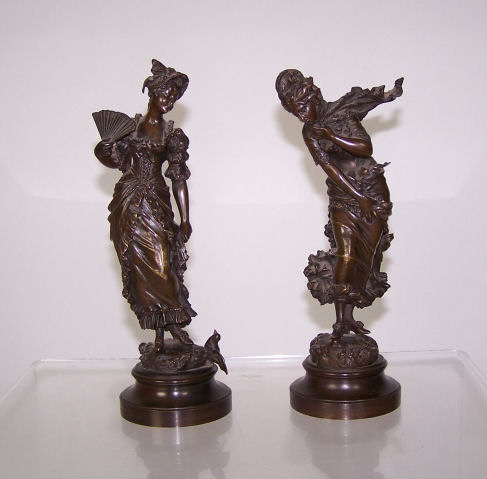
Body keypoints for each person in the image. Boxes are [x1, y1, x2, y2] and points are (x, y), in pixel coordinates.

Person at [276, 69, 403, 338]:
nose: (302, 116)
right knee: (345, 254)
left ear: (313, 98)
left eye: (303, 109)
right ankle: (341, 321)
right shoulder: (309, 132)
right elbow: (330, 169)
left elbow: (365, 148)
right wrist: (357, 197)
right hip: (344, 195)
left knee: (367, 257)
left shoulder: (342, 114)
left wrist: (332, 136)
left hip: (371, 189)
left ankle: (351, 316)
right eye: (296, 114)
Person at [94, 60, 196, 351]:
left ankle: (175, 326)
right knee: (139, 269)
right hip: (128, 203)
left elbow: (178, 178)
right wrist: (102, 151)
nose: (169, 101)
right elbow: (116, 161)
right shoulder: (129, 130)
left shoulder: (172, 135)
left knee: (163, 265)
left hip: (156, 202)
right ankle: (158, 335)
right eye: (165, 94)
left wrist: (185, 218)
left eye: (174, 97)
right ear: (152, 93)